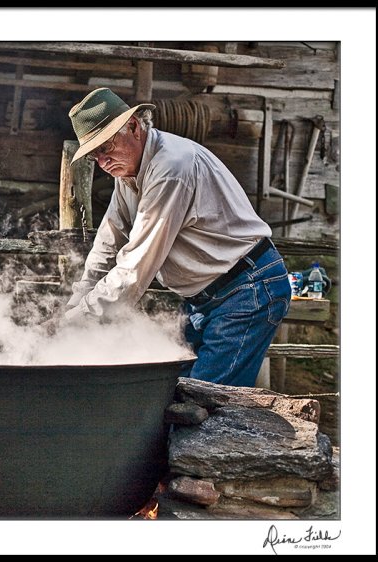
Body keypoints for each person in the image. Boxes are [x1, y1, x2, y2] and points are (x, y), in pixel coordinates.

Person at [61, 87, 291, 388]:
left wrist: (84, 316)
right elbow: (109, 241)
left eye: (107, 147)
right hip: (206, 298)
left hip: (247, 289)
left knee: (205, 403)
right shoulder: (128, 173)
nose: (103, 162)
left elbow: (135, 268)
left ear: (133, 125)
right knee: (168, 389)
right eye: (95, 156)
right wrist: (76, 302)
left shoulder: (170, 167)